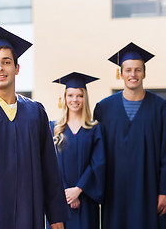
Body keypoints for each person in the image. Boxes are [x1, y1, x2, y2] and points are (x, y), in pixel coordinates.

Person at [0, 25, 67, 229]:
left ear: (17, 68)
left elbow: (49, 167)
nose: (0, 67)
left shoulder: (35, 112)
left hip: (26, 208)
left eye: (6, 62)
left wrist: (56, 216)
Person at [94, 42, 166, 229]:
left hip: (149, 187)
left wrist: (165, 191)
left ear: (144, 73)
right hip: (114, 188)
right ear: (121, 73)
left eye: (138, 70)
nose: (133, 75)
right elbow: (96, 154)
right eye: (128, 70)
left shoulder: (162, 108)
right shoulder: (104, 109)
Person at [46, 72, 105, 229]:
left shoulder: (94, 128)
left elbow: (98, 163)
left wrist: (78, 190)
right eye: (70, 95)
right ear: (64, 98)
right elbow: (50, 165)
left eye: (79, 95)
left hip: (86, 199)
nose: (74, 100)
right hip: (59, 199)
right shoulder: (54, 128)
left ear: (85, 98)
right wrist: (67, 193)